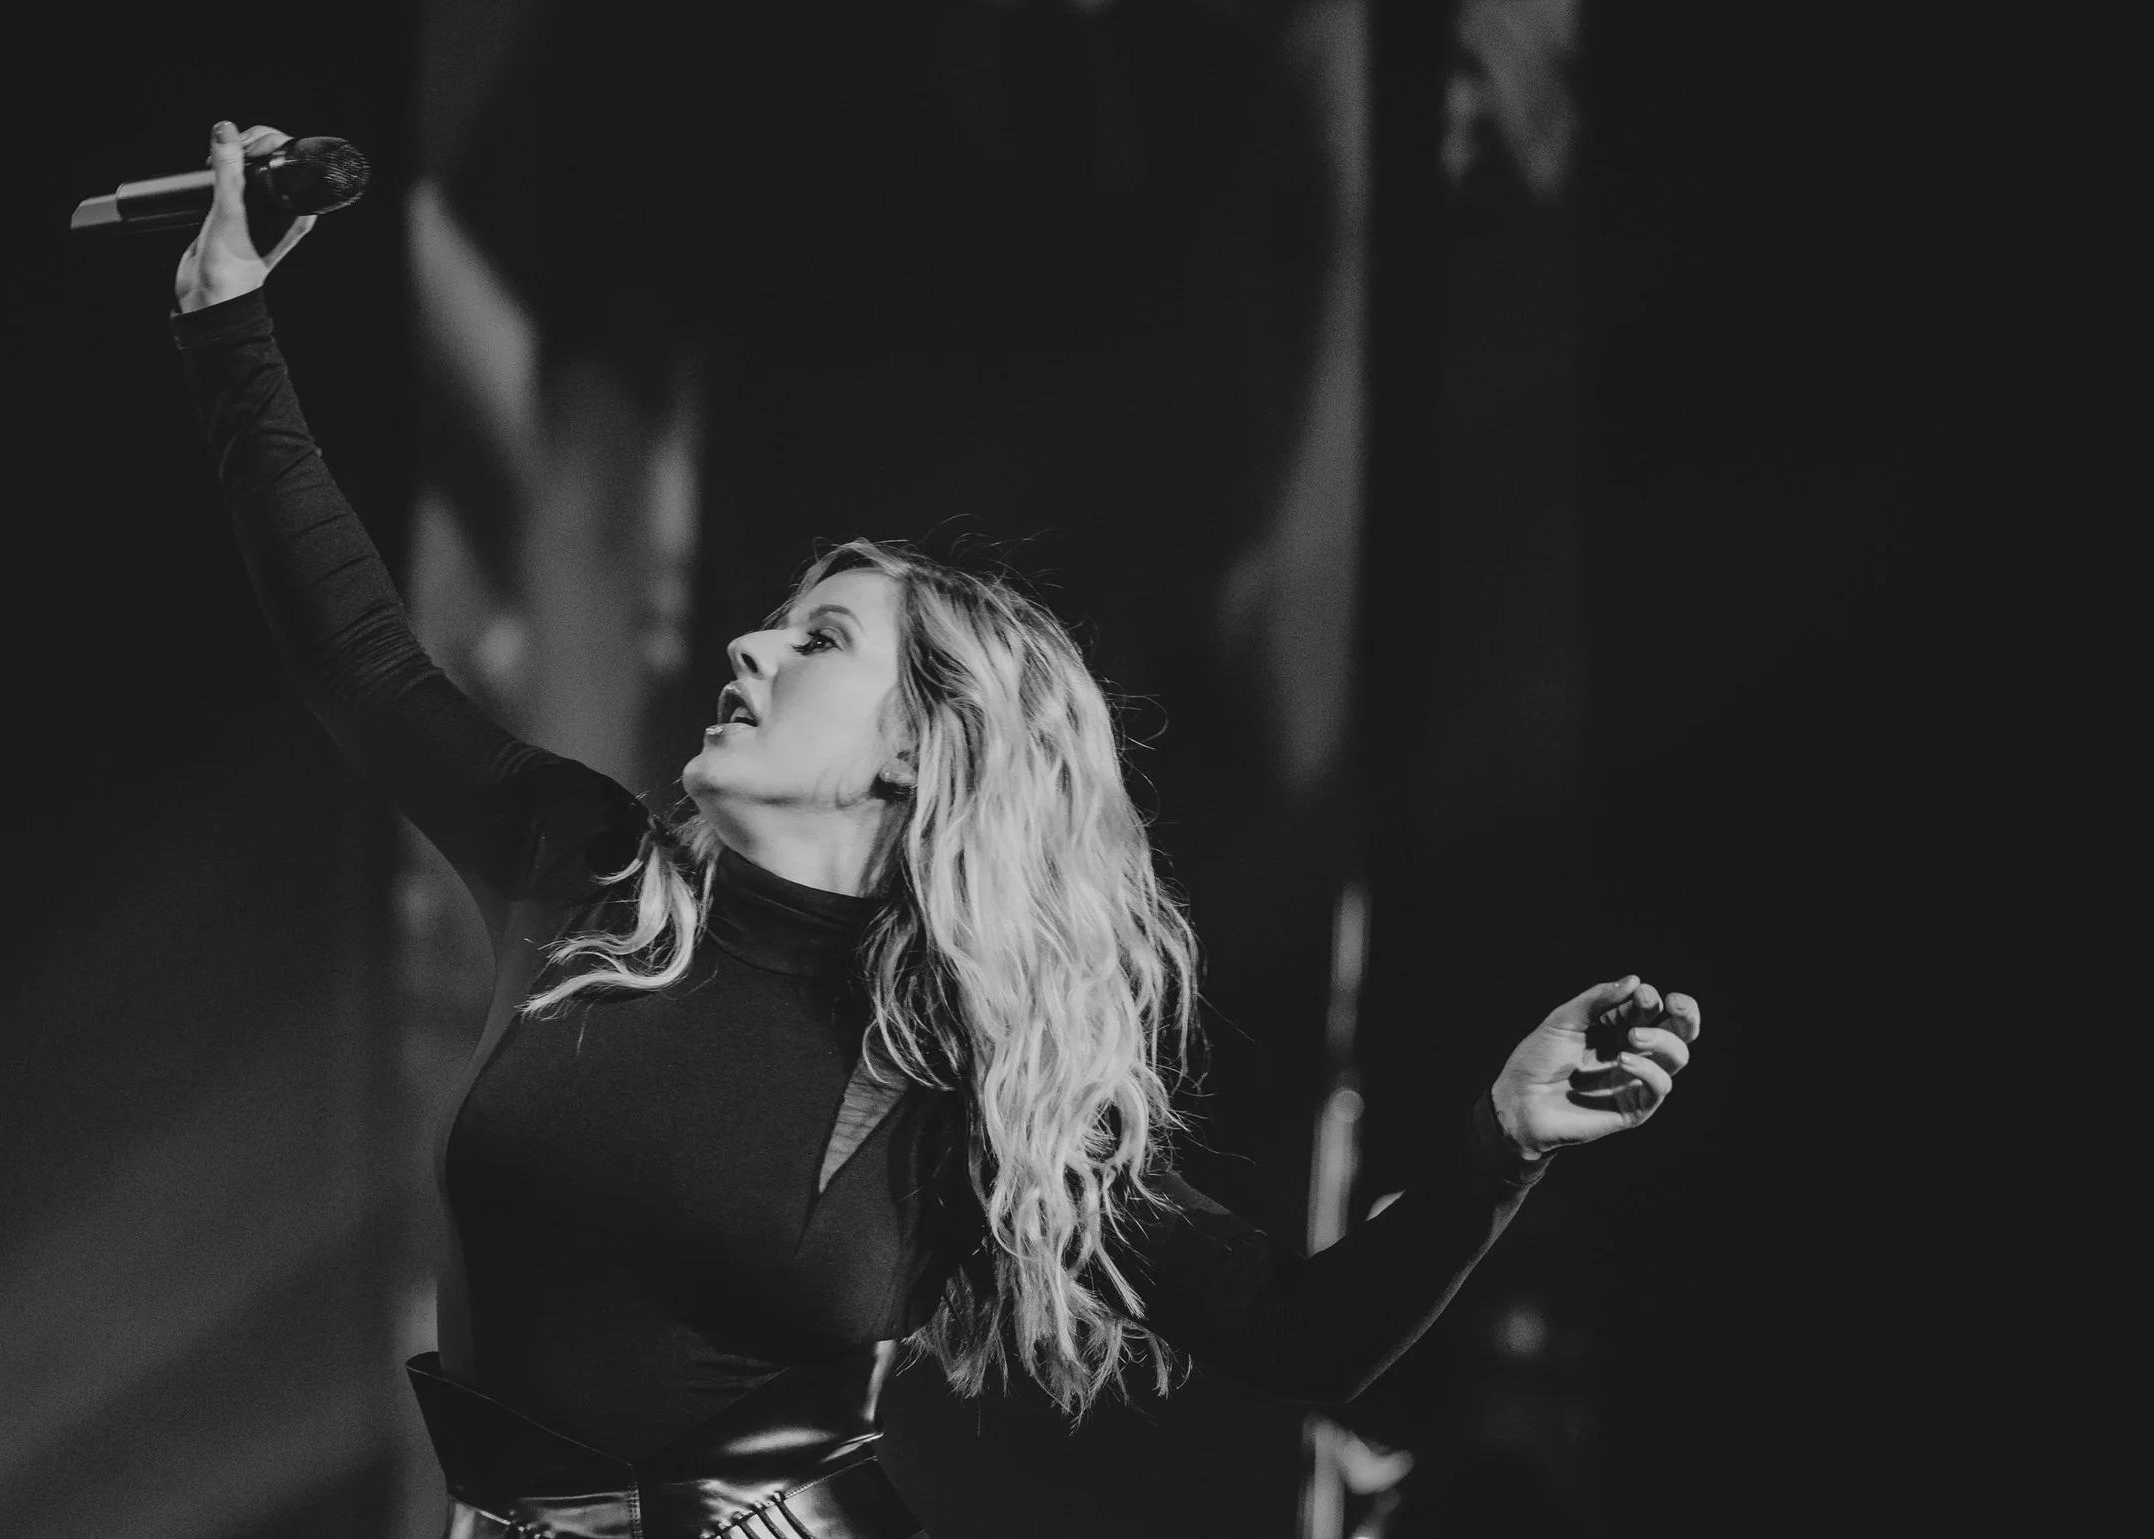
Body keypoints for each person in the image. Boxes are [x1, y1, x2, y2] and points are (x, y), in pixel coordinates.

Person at [170, 120, 1699, 1539]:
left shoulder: (965, 1086)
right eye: (771, 627)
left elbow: (1300, 1333)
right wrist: (227, 318)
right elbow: (361, 662)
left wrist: (1505, 1139)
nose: (748, 649)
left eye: (817, 640)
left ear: (915, 750)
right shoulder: (583, 871)